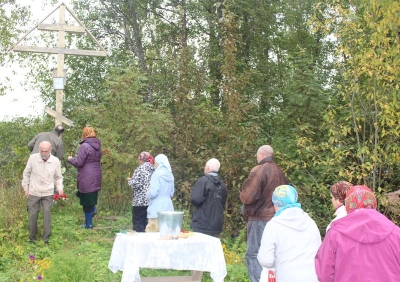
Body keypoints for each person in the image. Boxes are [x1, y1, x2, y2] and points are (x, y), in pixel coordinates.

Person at [315, 185, 400, 282]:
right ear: (373, 203)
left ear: (348, 205)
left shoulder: (335, 233)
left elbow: (324, 273)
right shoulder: (395, 232)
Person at [240, 145, 288, 282]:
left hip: (259, 219)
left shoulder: (258, 170)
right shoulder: (280, 171)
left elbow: (248, 196)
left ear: (261, 154)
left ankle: (257, 280)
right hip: (276, 218)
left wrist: (242, 195)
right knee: (273, 255)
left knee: (254, 254)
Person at [257, 185, 321, 282]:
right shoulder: (310, 222)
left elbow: (265, 260)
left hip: (287, 276)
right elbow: (319, 252)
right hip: (312, 276)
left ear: (276, 203)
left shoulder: (273, 225)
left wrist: (280, 262)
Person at [22, 141, 64, 244]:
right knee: (32, 215)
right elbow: (26, 174)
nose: (44, 153)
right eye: (42, 151)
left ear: (50, 150)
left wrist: (60, 188)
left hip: (47, 192)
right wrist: (25, 188)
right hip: (34, 191)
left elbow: (58, 177)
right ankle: (32, 238)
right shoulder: (33, 158)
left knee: (46, 214)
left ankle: (45, 239)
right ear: (39, 150)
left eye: (46, 151)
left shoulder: (55, 161)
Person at [68, 127, 102, 229]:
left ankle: (88, 224)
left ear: (84, 134)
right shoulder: (98, 146)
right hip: (96, 173)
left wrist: (70, 159)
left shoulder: (85, 146)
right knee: (89, 196)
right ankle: (92, 211)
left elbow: (79, 162)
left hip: (87, 175)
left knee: (86, 199)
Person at [190, 158, 228, 238]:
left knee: (200, 248)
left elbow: (195, 199)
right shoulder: (222, 184)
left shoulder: (203, 181)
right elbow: (223, 201)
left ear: (207, 168)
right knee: (212, 249)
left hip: (202, 224)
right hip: (216, 224)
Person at [127, 152, 155, 232]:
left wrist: (130, 181)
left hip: (139, 201)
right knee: (147, 224)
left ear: (141, 160)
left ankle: (138, 241)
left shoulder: (140, 169)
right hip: (150, 201)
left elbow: (135, 184)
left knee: (138, 223)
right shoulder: (154, 169)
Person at [146, 154, 174, 232]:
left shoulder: (156, 175)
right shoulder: (170, 176)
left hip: (156, 208)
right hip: (168, 207)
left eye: (155, 162)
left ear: (159, 163)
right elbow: (171, 193)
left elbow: (153, 192)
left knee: (153, 233)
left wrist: (148, 193)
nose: (154, 164)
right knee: (167, 234)